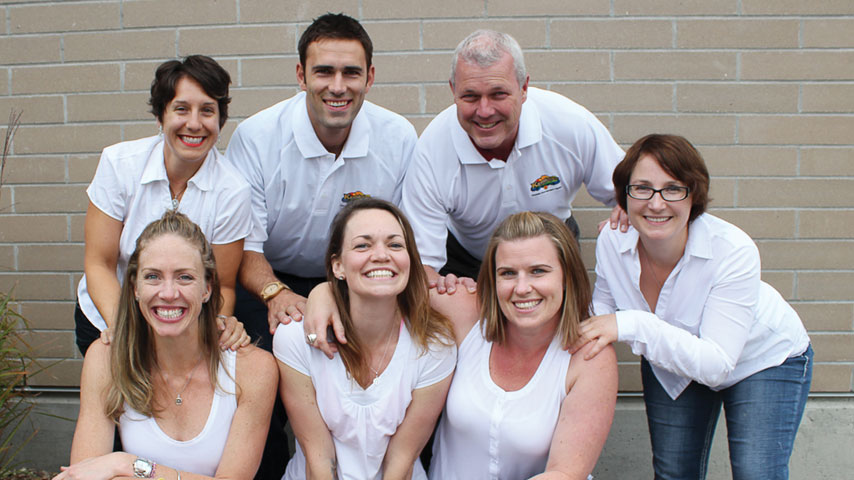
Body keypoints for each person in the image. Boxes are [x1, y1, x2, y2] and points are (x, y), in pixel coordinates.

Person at [573, 134, 812, 479]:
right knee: (673, 473)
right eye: (641, 188)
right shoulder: (613, 239)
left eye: (673, 188)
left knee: (756, 473)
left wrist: (632, 324)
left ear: (694, 195)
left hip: (762, 359)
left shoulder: (732, 249)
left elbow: (716, 364)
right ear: (624, 195)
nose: (656, 204)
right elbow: (604, 310)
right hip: (677, 364)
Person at [226, 13, 417, 348]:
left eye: (351, 73)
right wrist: (277, 294)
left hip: (357, 275)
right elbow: (244, 246)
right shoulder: (256, 137)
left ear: (370, 77)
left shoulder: (398, 137)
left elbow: (404, 241)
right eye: (324, 71)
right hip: (267, 279)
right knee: (280, 351)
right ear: (301, 76)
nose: (338, 86)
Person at [55, 210, 277, 480]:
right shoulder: (106, 358)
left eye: (185, 277)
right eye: (152, 277)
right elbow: (84, 475)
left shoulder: (252, 368)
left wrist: (128, 466)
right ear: (135, 288)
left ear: (207, 289)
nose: (169, 293)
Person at [400, 29, 626, 292]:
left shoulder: (570, 124)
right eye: (470, 96)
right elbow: (421, 266)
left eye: (498, 94)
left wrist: (630, 205)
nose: (484, 111)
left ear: (524, 88)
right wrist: (447, 293)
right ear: (453, 90)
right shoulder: (432, 150)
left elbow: (636, 191)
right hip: (468, 262)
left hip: (552, 251)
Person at [75, 55, 251, 356]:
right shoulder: (119, 164)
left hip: (183, 324)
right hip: (111, 316)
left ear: (220, 120)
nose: (194, 124)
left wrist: (216, 327)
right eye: (181, 109)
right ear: (161, 116)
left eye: (207, 111)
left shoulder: (233, 190)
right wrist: (125, 332)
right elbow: (99, 263)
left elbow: (223, 286)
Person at [273, 198, 456, 479]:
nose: (381, 255)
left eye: (395, 245)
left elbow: (403, 458)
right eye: (363, 245)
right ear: (338, 267)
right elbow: (318, 455)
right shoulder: (296, 338)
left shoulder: (435, 345)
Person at [425, 211, 617, 479]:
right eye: (508, 273)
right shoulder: (467, 315)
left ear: (567, 276)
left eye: (538, 271)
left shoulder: (589, 357)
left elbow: (564, 473)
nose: (522, 288)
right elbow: (393, 284)